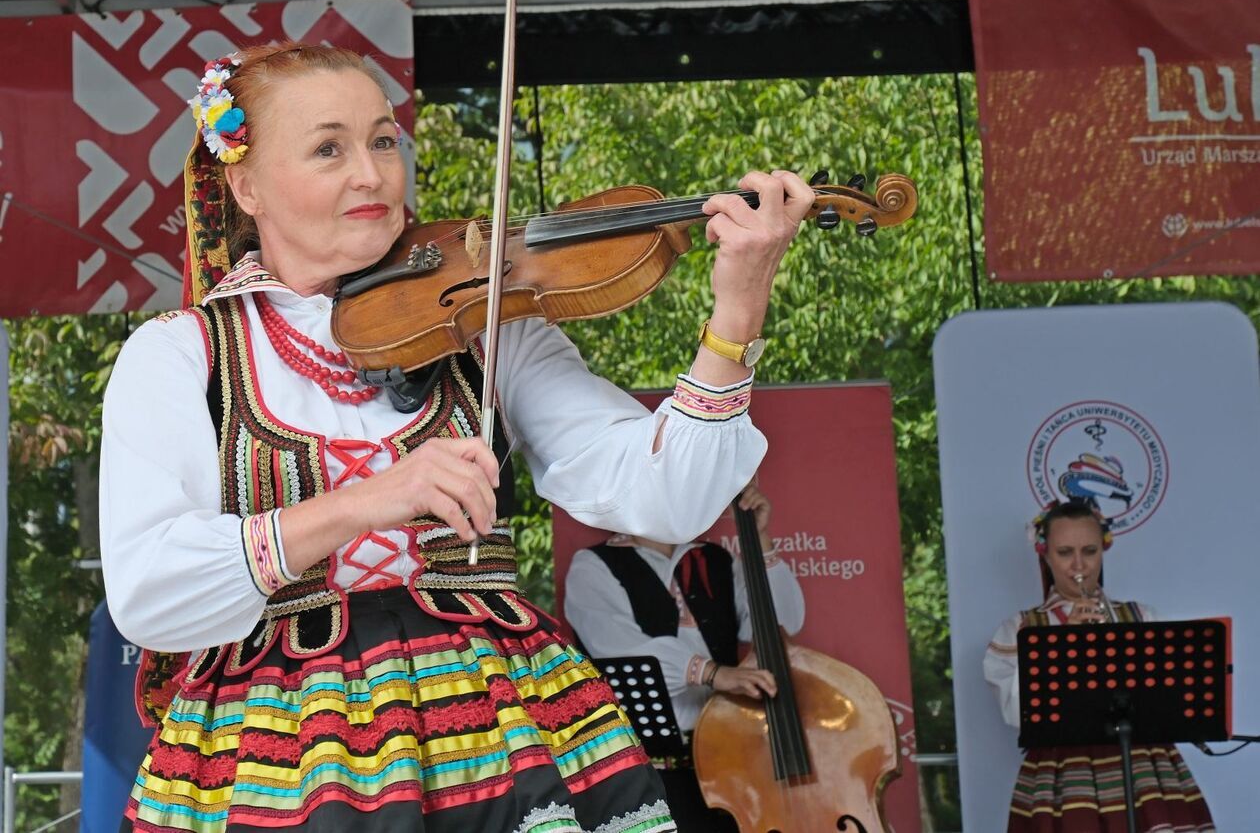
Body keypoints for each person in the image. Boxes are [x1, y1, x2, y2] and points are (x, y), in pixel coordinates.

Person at [98, 43, 816, 832]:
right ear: (246, 185)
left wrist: (738, 310)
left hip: (501, 728)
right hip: (277, 750)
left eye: (381, 140)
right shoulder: (182, 352)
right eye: (328, 148)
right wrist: (368, 501)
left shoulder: (484, 324)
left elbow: (664, 497)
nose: (372, 173)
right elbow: (149, 590)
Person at [563, 481, 805, 831]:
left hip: (730, 764)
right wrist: (712, 673)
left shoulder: (714, 559)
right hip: (649, 771)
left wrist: (760, 538)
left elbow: (784, 621)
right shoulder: (595, 565)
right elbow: (616, 643)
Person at [983, 499, 1216, 833]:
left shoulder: (1141, 617)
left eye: (1089, 551)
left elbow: (1172, 698)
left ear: (1103, 551)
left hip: (1144, 768)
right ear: (1045, 554)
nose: (1079, 565)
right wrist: (1064, 646)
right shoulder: (1020, 628)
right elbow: (1014, 711)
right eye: (1064, 553)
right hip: (1063, 775)